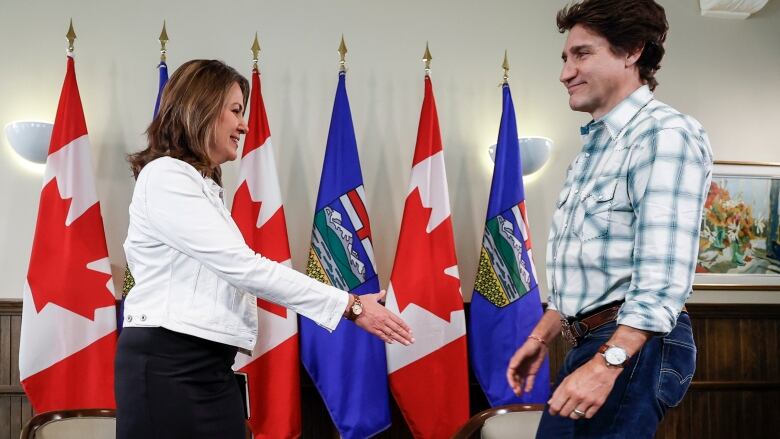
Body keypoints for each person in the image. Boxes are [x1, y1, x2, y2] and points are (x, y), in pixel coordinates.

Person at [115, 59, 413, 439]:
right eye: (236, 110)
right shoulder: (166, 176)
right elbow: (244, 268)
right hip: (168, 364)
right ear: (200, 108)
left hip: (207, 365)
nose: (244, 124)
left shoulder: (201, 186)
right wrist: (349, 306)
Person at [506, 1, 713, 437]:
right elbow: (596, 267)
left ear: (632, 51)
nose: (565, 72)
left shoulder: (664, 133)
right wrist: (541, 336)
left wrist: (608, 363)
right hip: (598, 340)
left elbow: (662, 272)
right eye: (565, 57)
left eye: (582, 54)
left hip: (633, 345)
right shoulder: (595, 149)